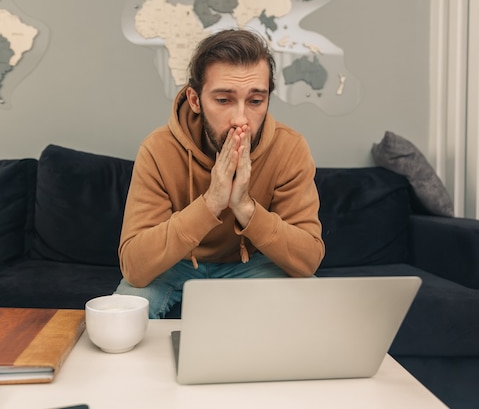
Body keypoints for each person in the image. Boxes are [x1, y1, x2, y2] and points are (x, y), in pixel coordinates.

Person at [115, 28, 325, 318]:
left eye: (255, 101)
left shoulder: (290, 148)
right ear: (195, 100)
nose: (241, 120)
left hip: (249, 265)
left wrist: (245, 207)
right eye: (223, 100)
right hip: (174, 266)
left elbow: (308, 261)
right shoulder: (157, 149)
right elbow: (135, 268)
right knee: (123, 310)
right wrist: (212, 201)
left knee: (315, 304)